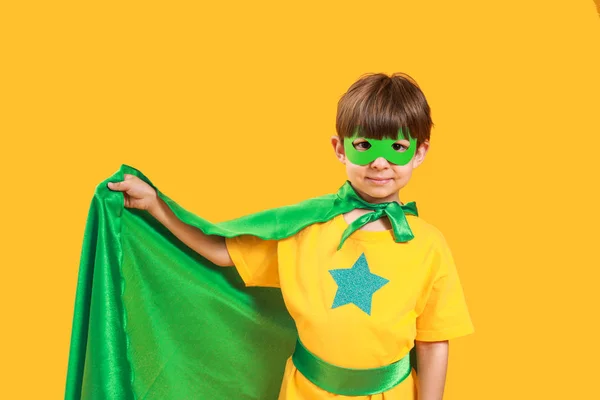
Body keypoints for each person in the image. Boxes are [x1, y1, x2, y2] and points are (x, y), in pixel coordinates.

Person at [107, 72, 474, 399]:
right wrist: (157, 206)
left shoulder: (429, 245)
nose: (379, 163)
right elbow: (222, 252)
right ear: (340, 148)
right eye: (365, 146)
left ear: (420, 152)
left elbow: (433, 342)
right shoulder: (305, 227)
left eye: (396, 147)